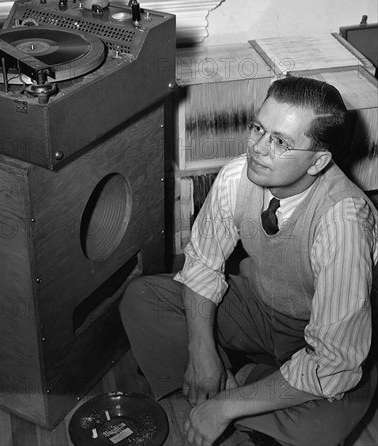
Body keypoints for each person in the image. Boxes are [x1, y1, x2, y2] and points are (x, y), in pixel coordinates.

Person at [120, 77, 378, 446]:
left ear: (319, 161)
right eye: (258, 128)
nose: (257, 148)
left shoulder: (343, 221)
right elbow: (203, 265)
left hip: (320, 334)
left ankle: (238, 388)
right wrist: (201, 350)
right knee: (143, 298)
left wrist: (223, 407)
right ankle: (244, 381)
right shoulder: (236, 176)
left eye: (280, 142)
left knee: (320, 424)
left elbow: (333, 361)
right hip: (260, 307)